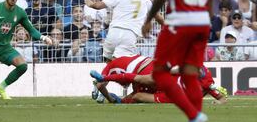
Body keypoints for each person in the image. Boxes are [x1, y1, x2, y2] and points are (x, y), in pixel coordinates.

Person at [90, 55, 228, 105]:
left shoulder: (206, 82)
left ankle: (119, 101)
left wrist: (219, 102)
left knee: (139, 95)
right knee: (143, 81)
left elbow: (222, 97)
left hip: (171, 96)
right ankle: (105, 81)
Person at [86, 0, 163, 61]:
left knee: (108, 61)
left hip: (114, 32)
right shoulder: (145, 0)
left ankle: (106, 74)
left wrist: (90, 3)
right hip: (130, 34)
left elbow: (98, 6)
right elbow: (159, 19)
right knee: (121, 63)